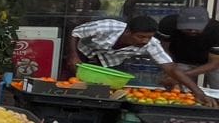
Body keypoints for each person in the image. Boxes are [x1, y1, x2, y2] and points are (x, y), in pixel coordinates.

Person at [68, 16, 213, 104]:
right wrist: (73, 55)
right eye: (141, 37)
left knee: (99, 90)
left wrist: (197, 91)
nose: (145, 41)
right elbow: (76, 33)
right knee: (72, 84)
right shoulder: (106, 26)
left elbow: (171, 68)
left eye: (149, 37)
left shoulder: (152, 44)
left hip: (107, 62)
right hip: (83, 52)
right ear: (128, 32)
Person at [158, 7, 219, 90]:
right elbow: (164, 49)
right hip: (180, 60)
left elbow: (215, 63)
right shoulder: (168, 24)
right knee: (178, 92)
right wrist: (171, 71)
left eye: (197, 28)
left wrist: (180, 76)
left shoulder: (216, 30)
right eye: (187, 28)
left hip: (211, 62)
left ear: (207, 23)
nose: (192, 31)